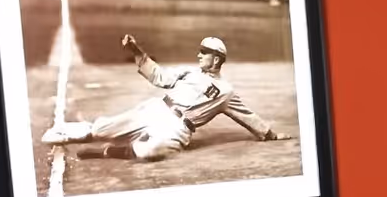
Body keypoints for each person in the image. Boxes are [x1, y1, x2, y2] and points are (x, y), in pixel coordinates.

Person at [42, 35, 281, 160]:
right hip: (156, 109)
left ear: (216, 59)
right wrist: (137, 51)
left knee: (152, 152)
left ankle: (108, 152)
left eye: (204, 52)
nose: (198, 55)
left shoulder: (226, 92)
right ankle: (63, 132)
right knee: (104, 128)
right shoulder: (189, 72)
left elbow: (246, 115)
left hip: (179, 126)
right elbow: (159, 77)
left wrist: (269, 133)